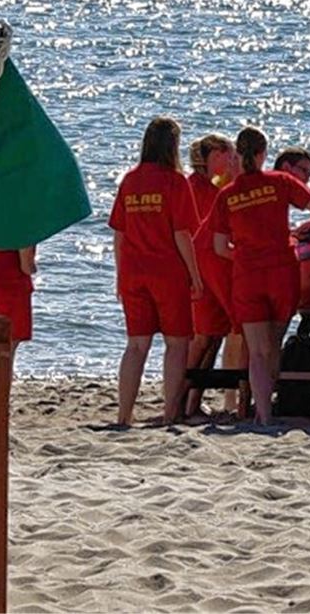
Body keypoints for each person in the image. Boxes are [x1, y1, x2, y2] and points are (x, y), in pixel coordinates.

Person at [212, 127, 310, 425]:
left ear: (238, 155)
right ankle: (268, 407)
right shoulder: (280, 182)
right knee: (273, 344)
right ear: (263, 154)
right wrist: (300, 230)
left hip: (248, 274)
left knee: (257, 350)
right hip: (281, 270)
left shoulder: (228, 194)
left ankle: (261, 412)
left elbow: (219, 247)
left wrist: (247, 254)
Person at [108, 116, 203, 426]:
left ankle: (124, 415)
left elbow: (119, 234)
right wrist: (195, 275)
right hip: (167, 271)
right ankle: (170, 413)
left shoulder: (130, 180)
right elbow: (181, 234)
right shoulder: (175, 182)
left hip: (134, 271)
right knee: (177, 343)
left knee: (136, 345)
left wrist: (119, 276)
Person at [184, 134, 246, 418]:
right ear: (215, 155)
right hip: (199, 268)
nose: (233, 160)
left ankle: (191, 399)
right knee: (203, 336)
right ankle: (185, 398)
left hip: (203, 267)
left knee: (211, 334)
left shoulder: (208, 187)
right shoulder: (199, 189)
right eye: (228, 154)